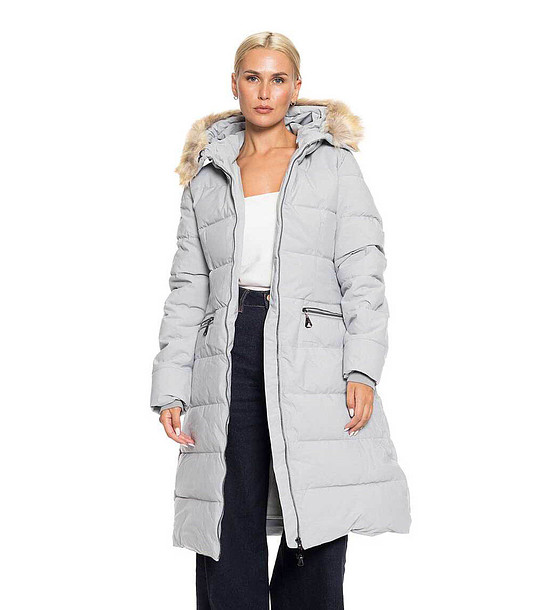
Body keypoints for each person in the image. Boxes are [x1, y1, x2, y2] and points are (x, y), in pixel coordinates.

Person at [150, 31, 411, 609]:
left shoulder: (331, 164)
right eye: (252, 78)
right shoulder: (208, 173)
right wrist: (171, 385)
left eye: (277, 79)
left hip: (311, 345)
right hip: (229, 346)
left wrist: (362, 369)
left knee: (313, 498)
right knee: (227, 507)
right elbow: (188, 288)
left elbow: (364, 273)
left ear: (296, 86)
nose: (264, 92)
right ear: (235, 84)